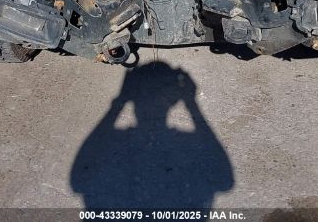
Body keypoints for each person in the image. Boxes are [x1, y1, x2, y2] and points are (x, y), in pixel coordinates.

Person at [70, 61, 234, 209]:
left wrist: (120, 100)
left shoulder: (117, 140)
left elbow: (78, 180)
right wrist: (191, 102)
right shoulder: (185, 143)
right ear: (173, 101)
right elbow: (225, 180)